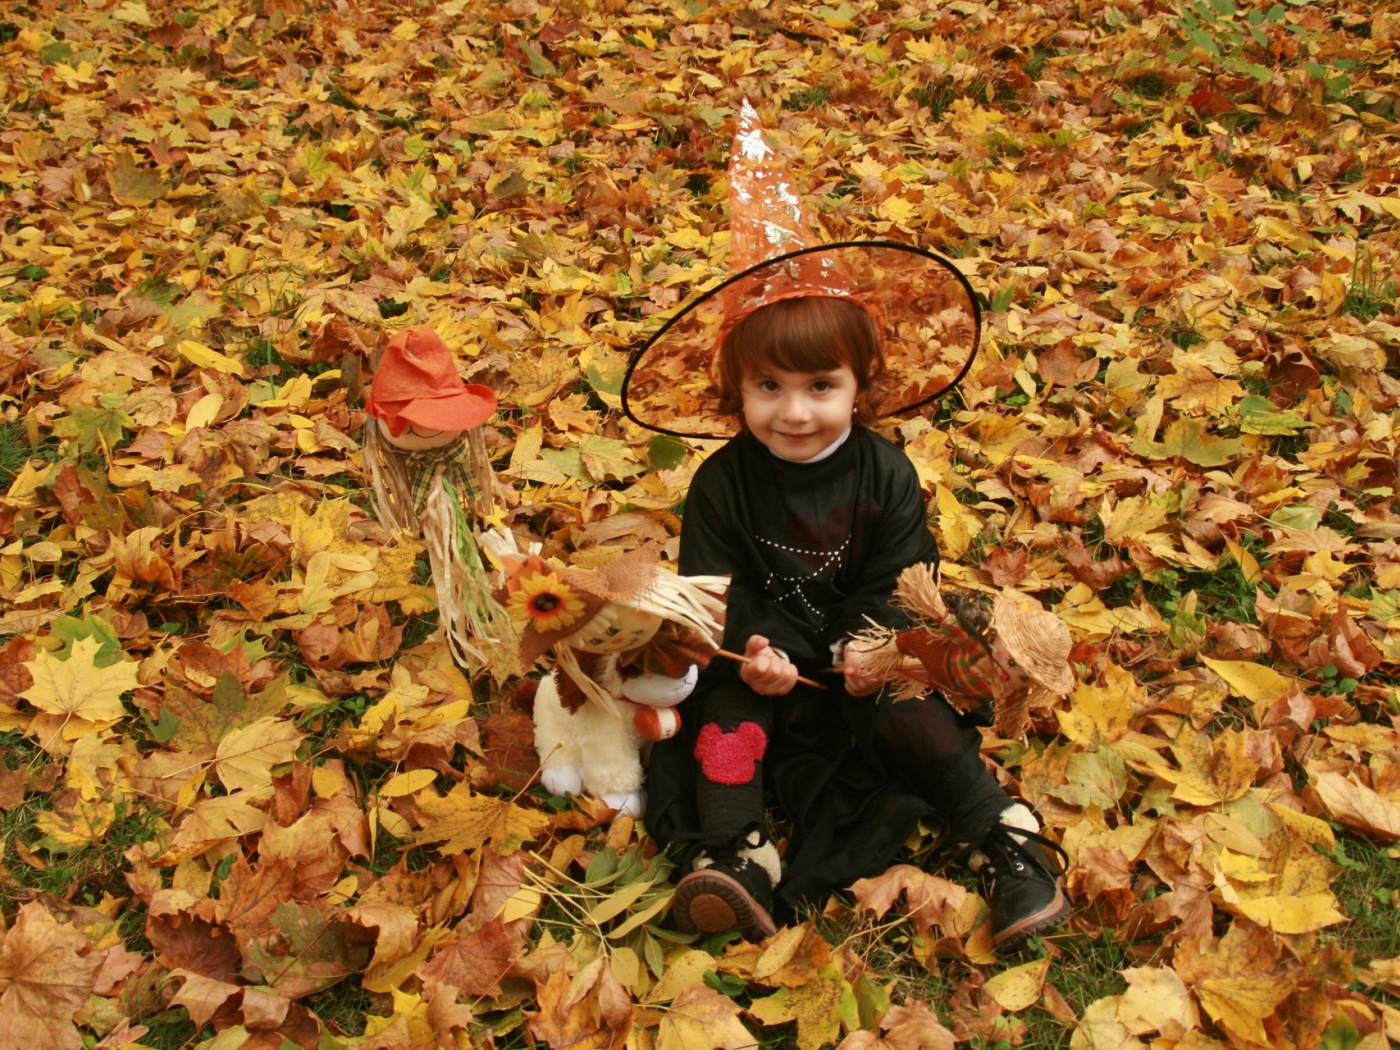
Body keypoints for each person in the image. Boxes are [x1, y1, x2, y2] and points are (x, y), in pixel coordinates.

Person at [620, 102, 1070, 947]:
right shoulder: (721, 481)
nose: (794, 413)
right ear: (736, 388)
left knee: (909, 709)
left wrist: (870, 646)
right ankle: (735, 851)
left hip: (860, 662)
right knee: (720, 718)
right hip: (763, 665)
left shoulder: (883, 472)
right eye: (768, 389)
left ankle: (1003, 834)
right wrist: (758, 651)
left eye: (820, 386)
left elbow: (900, 575)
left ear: (862, 384)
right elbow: (715, 588)